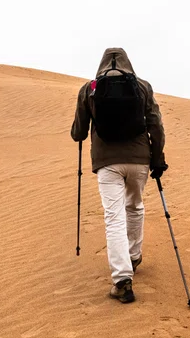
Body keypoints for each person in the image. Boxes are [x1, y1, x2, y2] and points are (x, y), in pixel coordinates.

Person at [70, 48, 167, 303]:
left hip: (107, 163)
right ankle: (134, 256)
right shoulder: (143, 87)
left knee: (114, 218)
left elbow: (78, 132)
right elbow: (156, 125)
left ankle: (122, 280)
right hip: (139, 161)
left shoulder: (89, 88)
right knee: (134, 206)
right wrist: (158, 158)